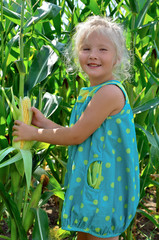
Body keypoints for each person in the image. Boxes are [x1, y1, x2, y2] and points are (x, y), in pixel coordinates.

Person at [13, 15, 140, 240]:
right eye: (86, 48)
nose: (93, 55)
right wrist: (45, 124)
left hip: (105, 189)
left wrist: (34, 133)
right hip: (94, 187)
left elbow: (75, 135)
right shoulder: (93, 92)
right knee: (85, 235)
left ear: (118, 57)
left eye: (103, 49)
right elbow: (85, 134)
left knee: (99, 235)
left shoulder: (108, 93)